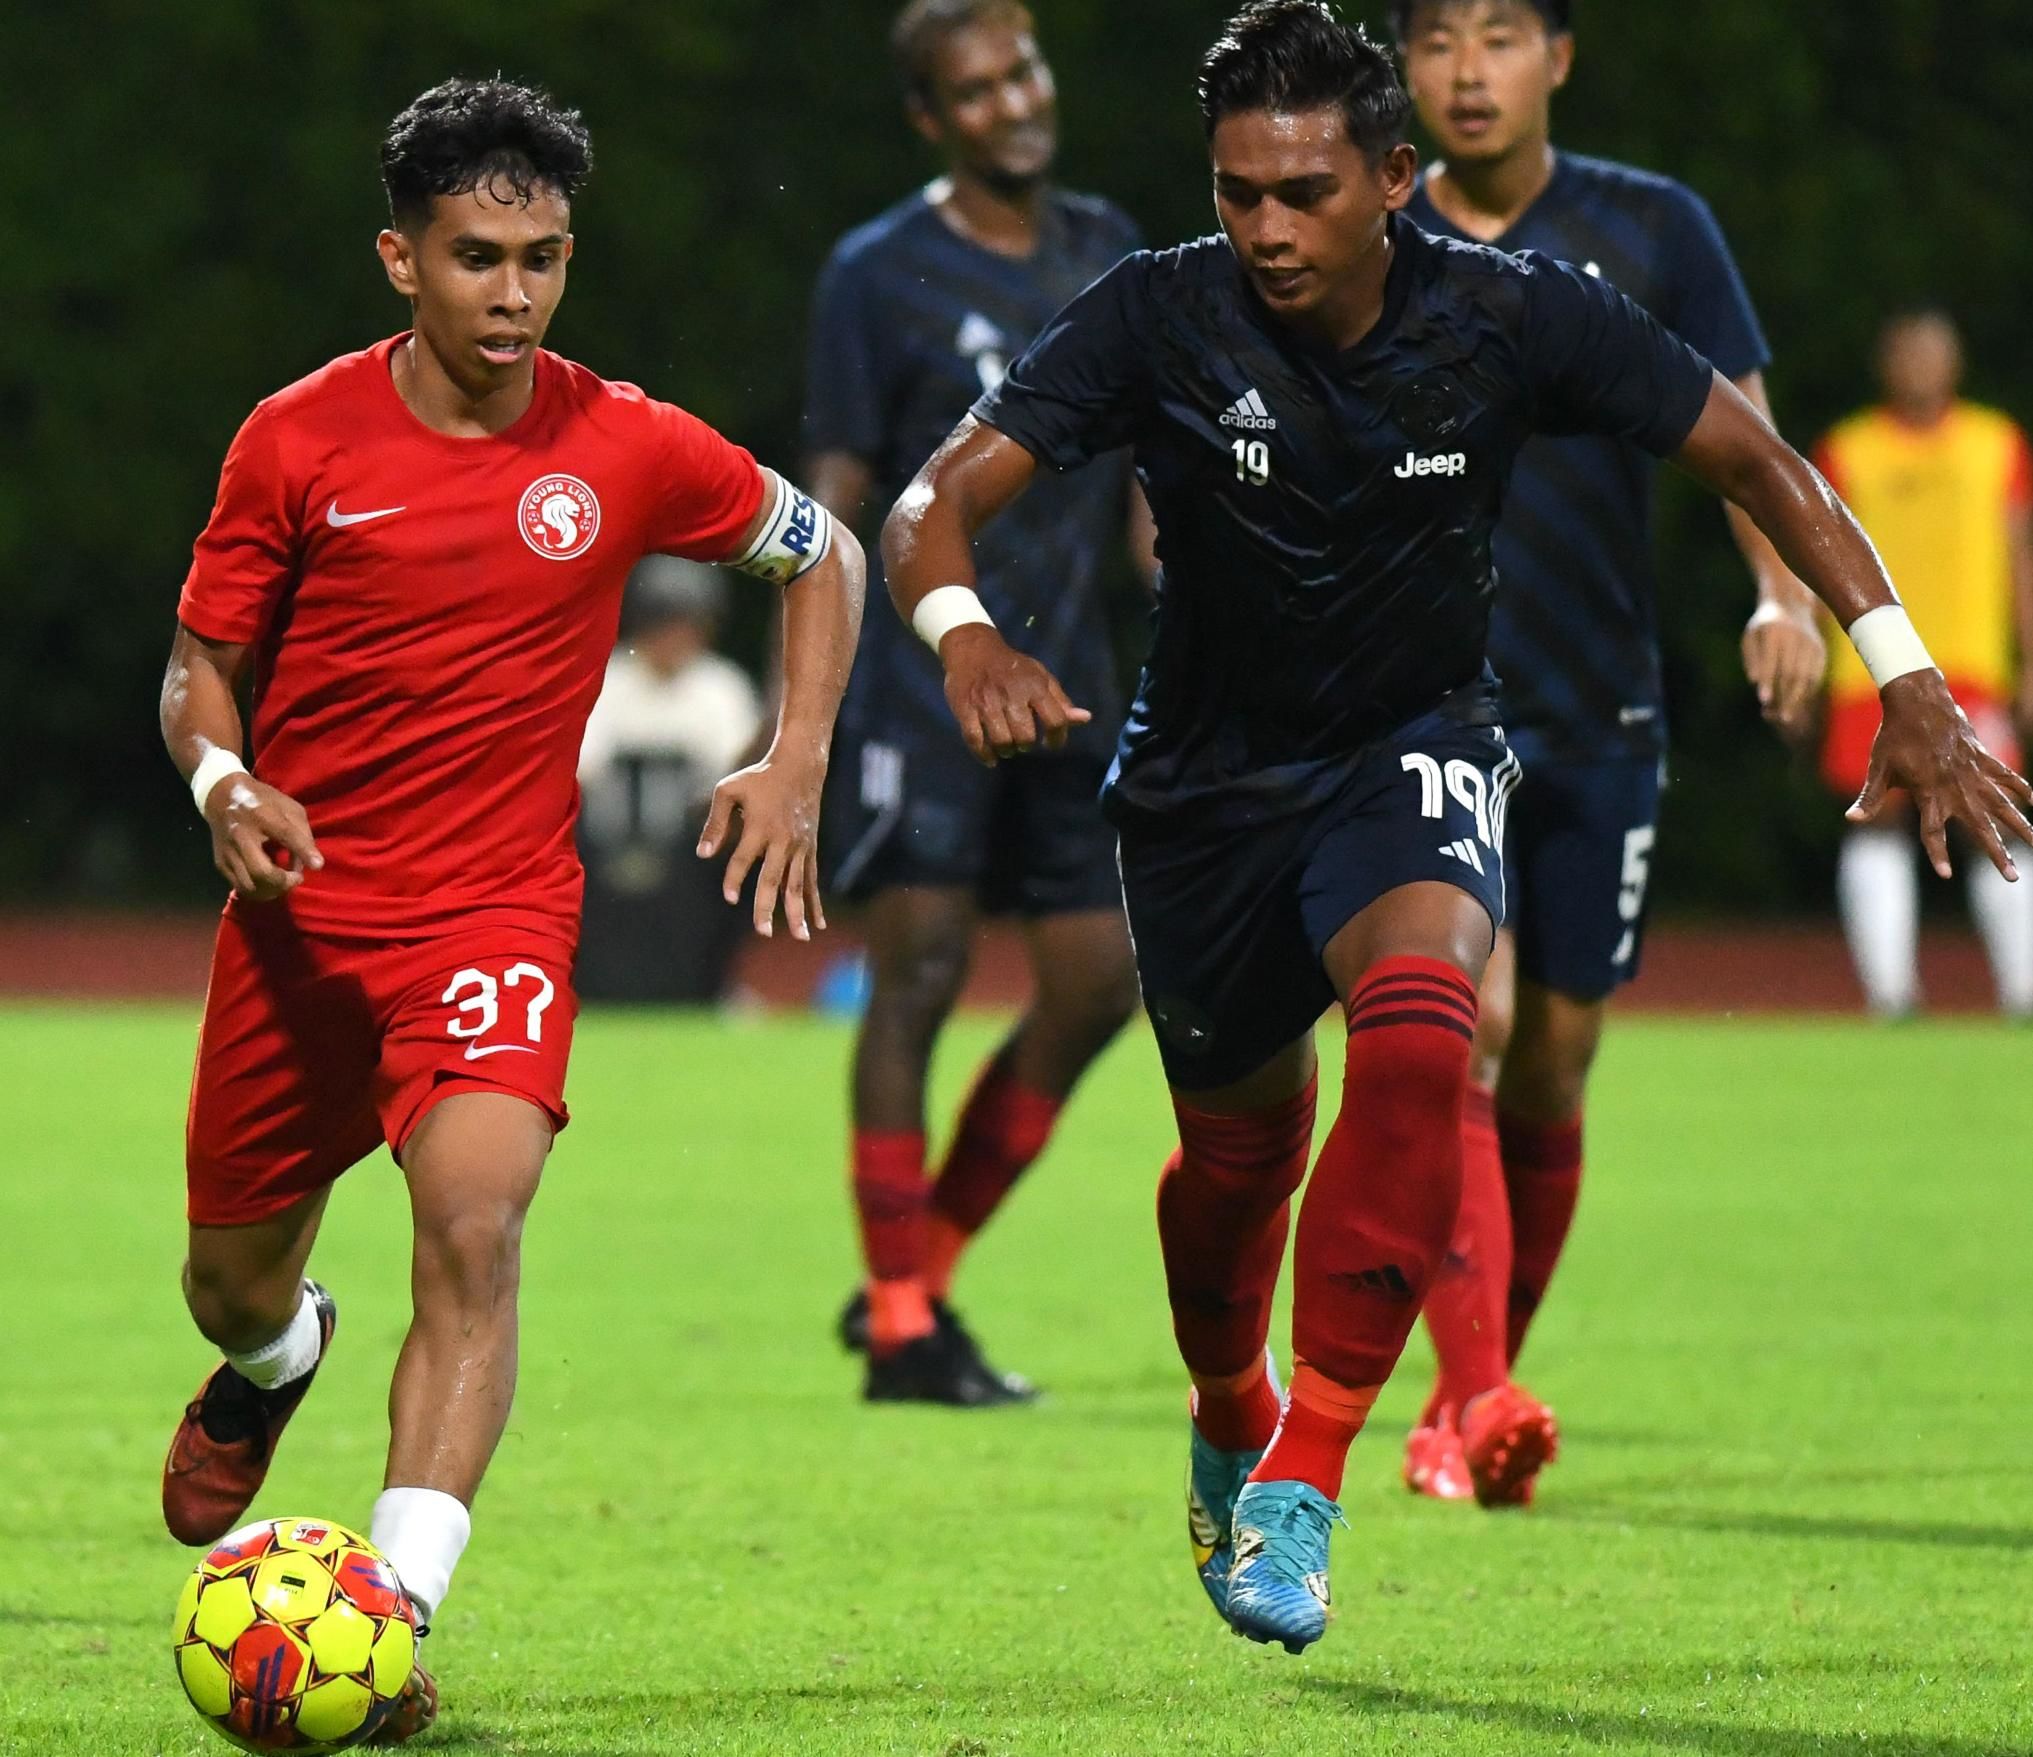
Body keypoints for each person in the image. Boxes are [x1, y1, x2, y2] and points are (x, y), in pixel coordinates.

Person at [880, 0, 2030, 1654]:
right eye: (1236, 192)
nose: (1267, 228)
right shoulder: (1155, 310)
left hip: (1412, 746)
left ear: (1393, 182)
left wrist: (1903, 669)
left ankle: (1309, 1473)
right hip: (1201, 790)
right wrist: (965, 635)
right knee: (1234, 1168)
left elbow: (1757, 460)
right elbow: (933, 501)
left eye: (1304, 193)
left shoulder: (1511, 309)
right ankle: (1229, 1403)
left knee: (1426, 1033)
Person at [158, 79, 862, 1739]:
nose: (514, 293)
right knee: (228, 1287)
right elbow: (201, 668)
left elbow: (822, 550)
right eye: (477, 257)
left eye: (542, 259)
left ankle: (389, 1619)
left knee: (476, 1229)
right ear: (400, 258)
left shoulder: (623, 443)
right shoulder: (297, 439)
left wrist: (797, 753)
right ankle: (276, 1361)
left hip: (491, 922)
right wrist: (225, 785)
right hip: (300, 925)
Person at [1386, 0, 1829, 1507]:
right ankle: (1474, 1395)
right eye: (1436, 39)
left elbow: (1744, 435)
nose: (1466, 70)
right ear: (1401, 64)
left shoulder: (1651, 227)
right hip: (1427, 705)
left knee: (1556, 1058)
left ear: (1557, 57)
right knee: (1471, 1018)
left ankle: (1471, 1393)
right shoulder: (1373, 235)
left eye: (1499, 36)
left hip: (1600, 707)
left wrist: (1781, 594)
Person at [806, 0, 1153, 1404]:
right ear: (928, 119)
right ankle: (903, 1328)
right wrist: (799, 703)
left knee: (1100, 982)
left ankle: (918, 1269)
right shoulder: (873, 272)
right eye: (976, 88)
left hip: (1071, 684)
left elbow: (1151, 462)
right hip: (919, 682)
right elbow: (838, 490)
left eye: (1023, 70)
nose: (1013, 101)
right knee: (920, 977)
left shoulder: (1109, 249)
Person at [1817, 311, 2033, 1019]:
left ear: (1955, 362)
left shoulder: (1995, 443)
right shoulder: (1848, 448)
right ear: (1884, 364)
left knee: (1992, 817)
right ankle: (1890, 998)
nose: (1919, 367)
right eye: (1906, 354)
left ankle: (2023, 993)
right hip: (1870, 671)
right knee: (1876, 822)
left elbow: (2019, 555)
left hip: (1971, 665)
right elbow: (1813, 559)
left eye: (1931, 354)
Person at [576, 558, 766, 1002]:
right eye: (663, 622)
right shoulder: (604, 681)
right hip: (601, 850)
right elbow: (579, 778)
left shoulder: (722, 688)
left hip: (696, 854)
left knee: (748, 843)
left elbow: (739, 784)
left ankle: (717, 981)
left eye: (686, 623)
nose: (674, 637)